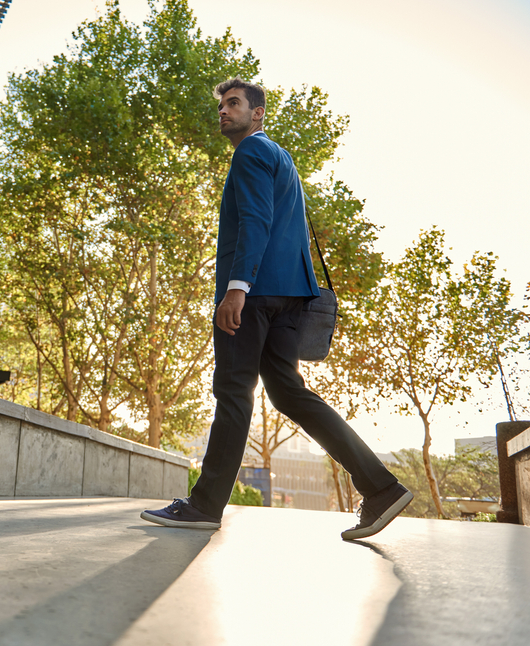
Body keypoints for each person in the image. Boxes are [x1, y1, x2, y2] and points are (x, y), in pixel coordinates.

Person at [141, 78, 412, 540]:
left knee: (232, 390)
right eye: (222, 106)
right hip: (291, 296)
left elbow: (257, 221)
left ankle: (205, 505)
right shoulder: (282, 157)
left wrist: (236, 288)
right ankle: (380, 488)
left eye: (234, 104)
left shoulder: (249, 152)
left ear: (257, 113)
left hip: (256, 293)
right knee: (288, 393)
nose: (224, 112)